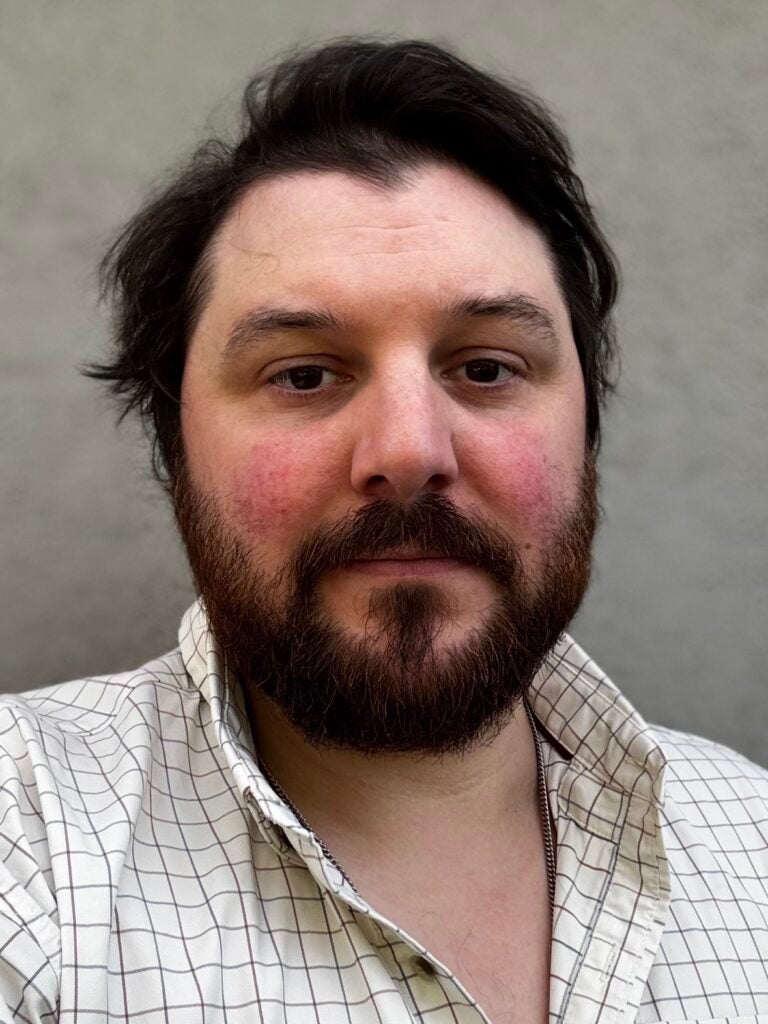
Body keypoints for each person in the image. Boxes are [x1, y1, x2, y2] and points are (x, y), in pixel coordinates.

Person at [1, 38, 765, 1024]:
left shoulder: (752, 839)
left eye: (486, 367)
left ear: (586, 431)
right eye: (304, 373)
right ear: (173, 444)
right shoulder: (25, 842)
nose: (409, 451)